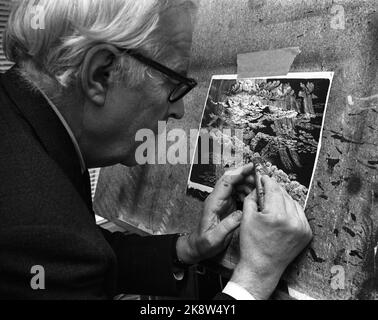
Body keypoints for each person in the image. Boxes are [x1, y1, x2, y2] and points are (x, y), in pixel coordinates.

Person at [0, 0, 312, 300]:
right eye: (173, 83)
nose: (178, 111)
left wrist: (186, 249)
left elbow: (77, 256)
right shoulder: (38, 229)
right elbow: (65, 250)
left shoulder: (22, 128)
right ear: (101, 74)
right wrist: (255, 278)